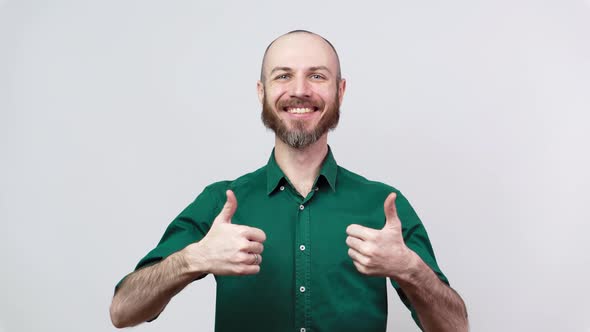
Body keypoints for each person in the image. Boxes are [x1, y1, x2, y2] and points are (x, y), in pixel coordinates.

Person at [109, 30, 468, 332]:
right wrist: (192, 258)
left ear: (340, 92)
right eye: (283, 75)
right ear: (261, 91)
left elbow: (456, 327)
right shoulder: (221, 202)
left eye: (317, 76)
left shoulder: (383, 205)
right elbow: (123, 311)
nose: (300, 90)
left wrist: (411, 270)